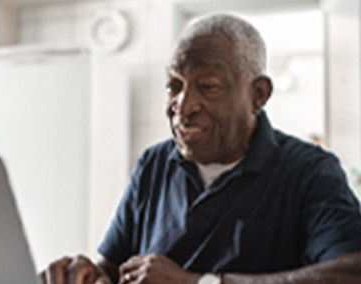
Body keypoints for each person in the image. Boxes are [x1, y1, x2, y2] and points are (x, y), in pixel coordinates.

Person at [41, 13, 361, 284]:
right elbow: (112, 266)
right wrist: (85, 273)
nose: (183, 107)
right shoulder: (154, 163)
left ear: (259, 95)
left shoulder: (309, 171)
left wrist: (201, 283)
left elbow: (352, 271)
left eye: (207, 87)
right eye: (174, 86)